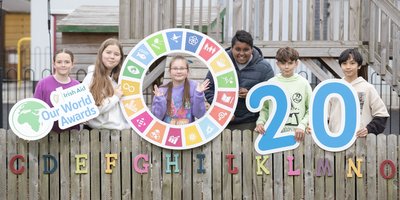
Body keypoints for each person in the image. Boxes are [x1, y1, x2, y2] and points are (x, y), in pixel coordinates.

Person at [204, 30, 274, 130]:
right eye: (237, 49)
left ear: (252, 49)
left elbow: (270, 95)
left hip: (250, 122)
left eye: (246, 50)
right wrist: (222, 110)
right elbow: (208, 88)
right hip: (223, 120)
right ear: (232, 48)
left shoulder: (264, 68)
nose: (241, 53)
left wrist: (252, 95)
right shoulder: (220, 62)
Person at [328, 48, 389, 137]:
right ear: (340, 65)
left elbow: (382, 115)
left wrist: (368, 129)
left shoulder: (368, 88)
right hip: (335, 141)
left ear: (359, 66)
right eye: (344, 63)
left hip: (360, 142)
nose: (348, 67)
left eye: (352, 63)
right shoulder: (333, 88)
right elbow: (324, 115)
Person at [255, 47, 312, 142]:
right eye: (283, 63)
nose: (286, 67)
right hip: (274, 135)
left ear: (296, 63)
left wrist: (302, 125)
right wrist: (261, 122)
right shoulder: (271, 83)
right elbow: (265, 108)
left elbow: (311, 108)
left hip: (298, 136)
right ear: (277, 64)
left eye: (290, 63)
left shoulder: (304, 83)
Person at [82, 38, 130, 130]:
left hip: (120, 135)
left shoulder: (118, 80)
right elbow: (93, 109)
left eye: (116, 54)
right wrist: (115, 97)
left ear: (120, 58)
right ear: (101, 54)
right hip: (98, 134)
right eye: (108, 52)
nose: (112, 57)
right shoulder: (91, 78)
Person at [151, 55, 210, 125]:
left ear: (187, 71)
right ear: (170, 71)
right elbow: (157, 118)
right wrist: (159, 100)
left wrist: (199, 95)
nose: (178, 71)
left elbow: (200, 115)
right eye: (175, 68)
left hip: (187, 133)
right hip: (167, 133)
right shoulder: (162, 90)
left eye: (182, 68)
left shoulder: (195, 87)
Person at [34, 49, 80, 133]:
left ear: (72, 64)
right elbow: (35, 108)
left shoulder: (76, 86)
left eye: (67, 62)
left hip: (71, 135)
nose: (63, 65)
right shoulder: (43, 83)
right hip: (47, 134)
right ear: (54, 64)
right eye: (59, 62)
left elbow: (81, 111)